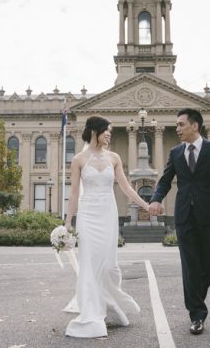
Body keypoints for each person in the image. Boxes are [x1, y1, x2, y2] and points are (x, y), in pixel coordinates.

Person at [63, 115, 151, 338]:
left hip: (107, 214)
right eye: (106, 130)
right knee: (90, 263)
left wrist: (146, 206)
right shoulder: (79, 160)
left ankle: (110, 305)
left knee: (109, 265)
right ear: (95, 131)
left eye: (111, 131)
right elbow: (73, 193)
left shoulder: (114, 157)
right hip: (88, 215)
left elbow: (126, 187)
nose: (110, 134)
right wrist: (67, 224)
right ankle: (92, 311)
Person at [148, 108, 210, 335]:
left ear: (195, 126)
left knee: (209, 264)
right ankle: (196, 314)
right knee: (190, 266)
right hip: (184, 216)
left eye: (181, 124)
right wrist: (156, 199)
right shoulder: (176, 153)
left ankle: (196, 299)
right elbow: (165, 181)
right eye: (176, 125)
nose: (177, 129)